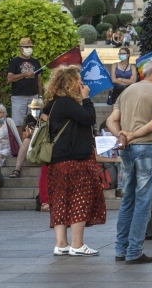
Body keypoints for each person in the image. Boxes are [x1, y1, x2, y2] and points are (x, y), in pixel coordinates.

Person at [106, 59, 152, 264]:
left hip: (127, 150)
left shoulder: (127, 91)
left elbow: (111, 120)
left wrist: (122, 137)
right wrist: (131, 135)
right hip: (146, 148)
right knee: (143, 200)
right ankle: (134, 251)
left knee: (128, 199)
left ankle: (121, 249)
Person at [42, 65, 105, 257]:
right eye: (78, 80)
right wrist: (86, 98)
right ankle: (77, 244)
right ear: (71, 83)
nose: (82, 84)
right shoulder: (67, 103)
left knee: (60, 201)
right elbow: (89, 118)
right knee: (80, 201)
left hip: (57, 161)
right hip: (74, 161)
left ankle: (61, 244)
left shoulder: (52, 104)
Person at [7, 37, 42, 135]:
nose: (29, 49)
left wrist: (40, 96)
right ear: (21, 48)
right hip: (18, 97)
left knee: (34, 121)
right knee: (18, 123)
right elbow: (10, 78)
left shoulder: (36, 62)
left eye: (30, 47)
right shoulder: (15, 62)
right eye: (26, 47)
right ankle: (20, 145)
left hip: (33, 97)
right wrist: (24, 74)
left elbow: (39, 80)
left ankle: (31, 144)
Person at [9, 98, 43, 179]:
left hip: (44, 140)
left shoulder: (46, 117)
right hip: (32, 140)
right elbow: (23, 135)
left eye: (37, 109)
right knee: (26, 141)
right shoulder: (28, 117)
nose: (35, 110)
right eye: (33, 109)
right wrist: (29, 134)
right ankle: (17, 169)